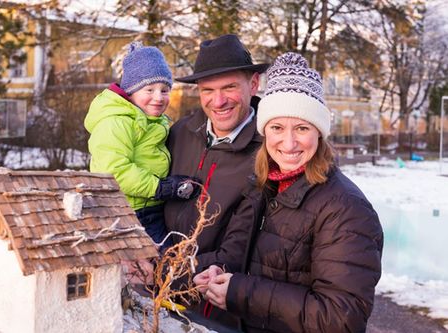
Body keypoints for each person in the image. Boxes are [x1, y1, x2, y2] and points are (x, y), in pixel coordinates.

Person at [193, 52, 384, 333]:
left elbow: (341, 319)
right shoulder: (265, 186)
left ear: (319, 133)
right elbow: (254, 262)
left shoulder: (346, 208)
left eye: (302, 128)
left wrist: (241, 292)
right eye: (277, 127)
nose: (289, 142)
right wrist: (221, 275)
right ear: (265, 132)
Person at [165, 34, 269, 274]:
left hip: (222, 300)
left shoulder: (271, 149)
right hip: (160, 291)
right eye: (207, 90)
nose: (218, 101)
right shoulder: (180, 133)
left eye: (229, 87)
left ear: (253, 84)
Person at [84, 42, 197, 248]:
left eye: (164, 90)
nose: (158, 97)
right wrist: (160, 187)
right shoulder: (117, 122)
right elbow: (114, 171)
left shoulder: (156, 121)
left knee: (170, 262)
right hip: (127, 211)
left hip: (152, 207)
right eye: (149, 89)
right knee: (153, 266)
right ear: (131, 91)